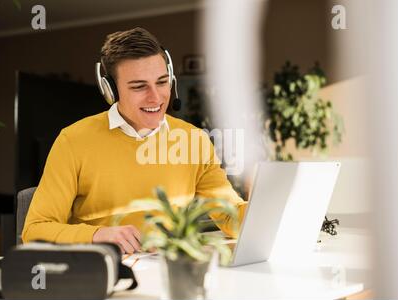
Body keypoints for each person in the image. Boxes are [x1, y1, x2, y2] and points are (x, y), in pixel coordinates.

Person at [22, 27, 246, 254]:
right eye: (139, 86)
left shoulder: (194, 140)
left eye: (162, 82)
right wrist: (97, 235)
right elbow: (34, 231)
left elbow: (229, 214)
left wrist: (273, 212)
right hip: (103, 274)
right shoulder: (73, 141)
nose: (156, 97)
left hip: (170, 272)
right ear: (111, 91)